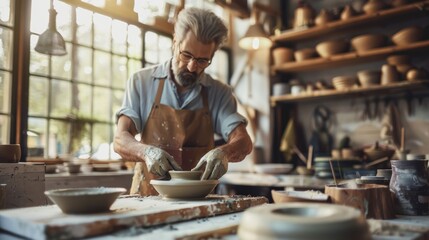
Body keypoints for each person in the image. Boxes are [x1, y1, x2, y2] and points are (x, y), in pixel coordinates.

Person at [114, 7, 252, 196]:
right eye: (186, 55)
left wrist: (224, 153)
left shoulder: (220, 93)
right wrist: (146, 152)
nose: (192, 66)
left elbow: (243, 141)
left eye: (203, 60)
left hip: (197, 199)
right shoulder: (141, 82)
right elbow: (120, 139)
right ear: (175, 43)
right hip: (147, 196)